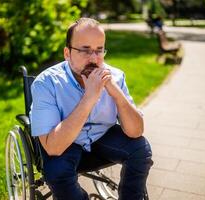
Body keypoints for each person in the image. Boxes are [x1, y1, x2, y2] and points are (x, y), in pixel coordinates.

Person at [30, 17, 153, 200]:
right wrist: (89, 98)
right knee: (56, 173)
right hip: (66, 142)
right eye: (85, 50)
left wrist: (116, 93)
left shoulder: (116, 76)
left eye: (99, 50)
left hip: (102, 136)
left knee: (141, 150)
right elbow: (53, 147)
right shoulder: (46, 83)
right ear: (67, 53)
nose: (94, 59)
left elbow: (136, 131)